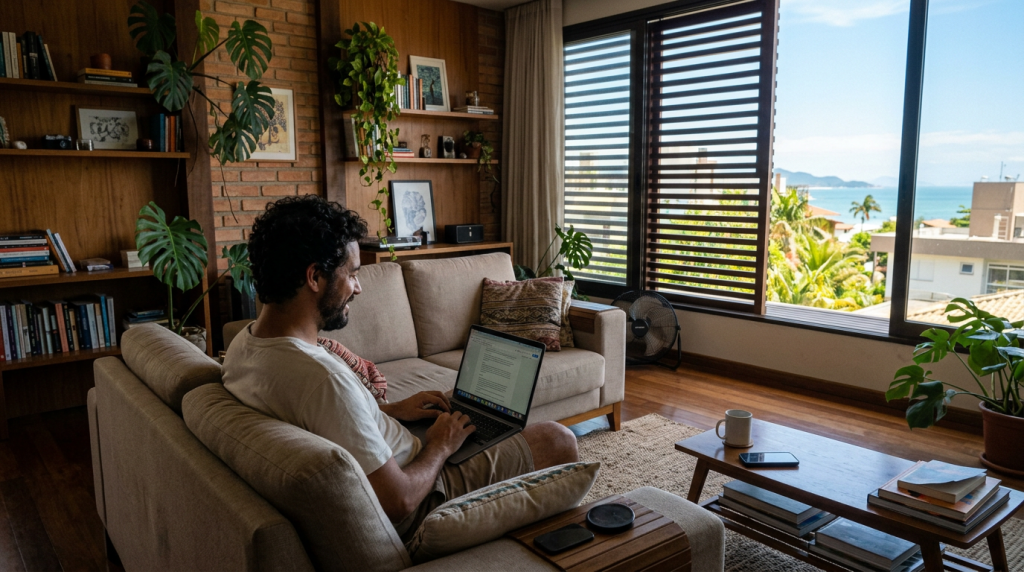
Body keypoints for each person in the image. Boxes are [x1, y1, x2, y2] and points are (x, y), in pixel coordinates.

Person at [222, 195, 579, 540]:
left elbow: (323, 418)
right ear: (314, 277)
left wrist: (389, 411)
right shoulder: (323, 380)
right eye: (353, 274)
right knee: (556, 439)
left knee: (465, 407)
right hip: (422, 491)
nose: (358, 288)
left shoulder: (243, 346)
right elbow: (399, 502)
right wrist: (440, 446)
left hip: (398, 452)